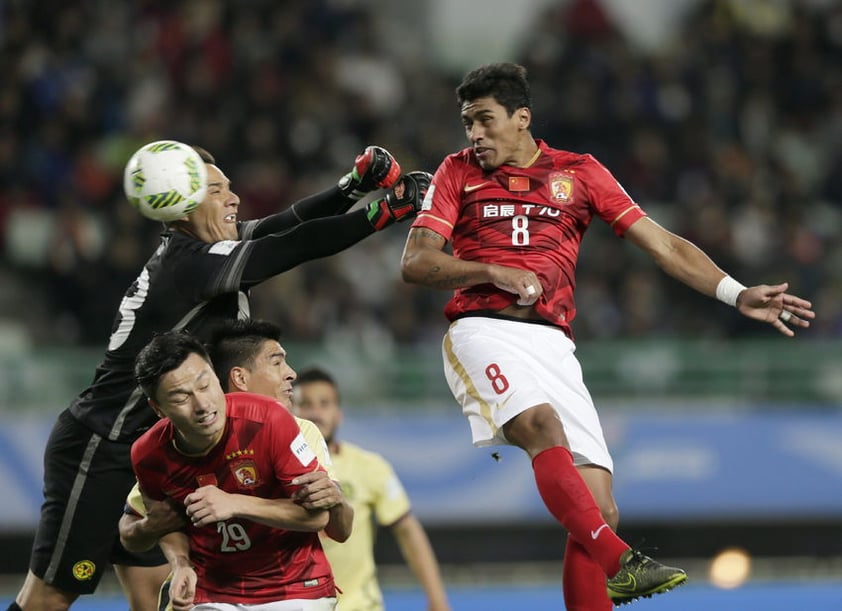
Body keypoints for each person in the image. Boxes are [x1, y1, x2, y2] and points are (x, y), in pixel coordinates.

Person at [399, 62, 815, 609]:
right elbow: (416, 262)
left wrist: (736, 293)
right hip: (482, 331)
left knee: (600, 512)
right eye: (467, 123)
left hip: (553, 344)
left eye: (484, 120)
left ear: (522, 118)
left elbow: (664, 246)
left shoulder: (580, 172)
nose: (474, 135)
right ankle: (623, 564)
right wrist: (489, 271)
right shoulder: (456, 172)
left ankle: (610, 562)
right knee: (541, 426)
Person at [9, 142, 430, 611]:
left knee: (158, 595)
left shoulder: (204, 250)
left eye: (231, 187)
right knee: (49, 598)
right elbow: (293, 246)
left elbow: (285, 223)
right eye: (216, 190)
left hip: (157, 452)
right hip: (102, 446)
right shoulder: (190, 264)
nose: (233, 198)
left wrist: (352, 187)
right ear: (180, 201)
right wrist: (386, 211)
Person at [118, 318, 353, 610]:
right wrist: (179, 562)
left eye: (205, 386)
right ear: (158, 409)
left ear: (217, 380)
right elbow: (155, 522)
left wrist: (235, 503)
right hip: (213, 591)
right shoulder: (150, 453)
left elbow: (322, 519)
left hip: (293, 590)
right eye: (181, 397)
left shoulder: (275, 421)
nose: (202, 405)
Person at [293, 367, 451, 611]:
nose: (315, 412)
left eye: (325, 403)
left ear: (339, 414)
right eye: (305, 404)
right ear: (292, 412)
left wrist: (437, 599)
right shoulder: (278, 468)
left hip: (361, 606)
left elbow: (408, 531)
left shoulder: (371, 467)